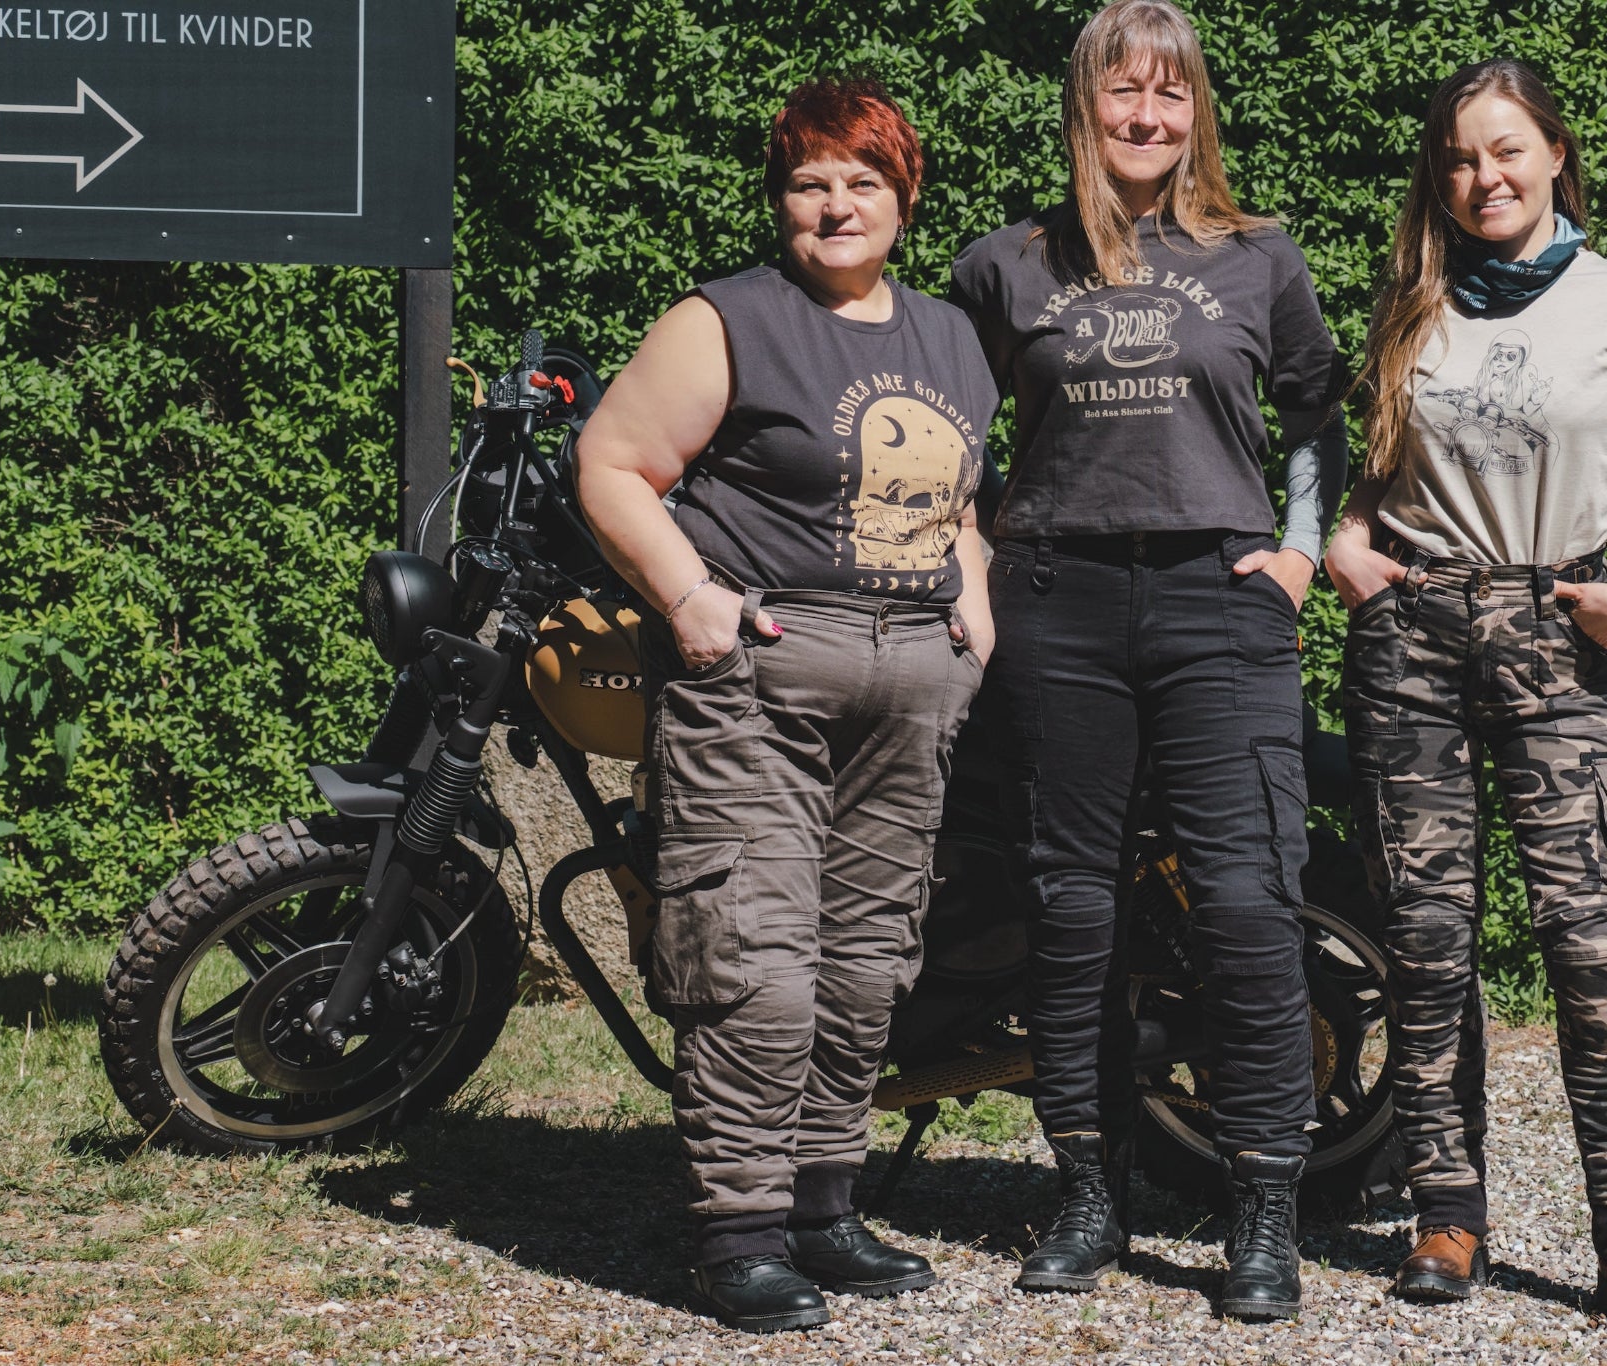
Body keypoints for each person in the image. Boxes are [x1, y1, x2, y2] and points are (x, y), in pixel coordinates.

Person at [949, 0, 1350, 1322]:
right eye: (1125, 92)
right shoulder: (1007, 263)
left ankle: (1264, 1209)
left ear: (1197, 114)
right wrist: (982, 571)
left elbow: (1313, 419)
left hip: (1218, 605)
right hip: (1059, 606)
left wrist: (1297, 552)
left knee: (1243, 903)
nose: (1147, 117)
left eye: (1171, 96)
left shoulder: (1256, 257)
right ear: (1087, 103)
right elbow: (946, 436)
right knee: (1072, 911)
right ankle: (1087, 1188)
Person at [576, 77, 996, 1335]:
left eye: (861, 180)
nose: (835, 204)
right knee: (755, 963)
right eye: (809, 180)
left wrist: (974, 600)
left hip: (910, 691)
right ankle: (741, 1230)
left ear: (902, 197)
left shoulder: (949, 337)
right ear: (778, 199)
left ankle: (824, 1205)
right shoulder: (724, 321)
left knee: (865, 966)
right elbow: (610, 465)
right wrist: (690, 596)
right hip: (758, 675)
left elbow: (954, 497)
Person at [1324, 58, 1607, 1340]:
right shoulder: (1410, 303)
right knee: (1427, 946)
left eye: (1503, 150)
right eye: (1456, 157)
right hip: (1413, 646)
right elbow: (1363, 480)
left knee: (1597, 946)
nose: (1480, 177)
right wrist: (1343, 543)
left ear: (1554, 151)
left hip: (1559, 639)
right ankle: (1445, 1217)